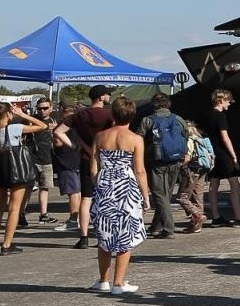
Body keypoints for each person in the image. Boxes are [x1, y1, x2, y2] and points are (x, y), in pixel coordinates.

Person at [89, 96, 149, 294]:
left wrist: (99, 186)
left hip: (105, 186)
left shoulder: (100, 136)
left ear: (113, 113)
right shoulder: (136, 139)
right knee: (126, 234)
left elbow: (93, 168)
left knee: (104, 234)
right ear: (133, 115)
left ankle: (103, 280)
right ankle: (118, 283)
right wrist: (145, 196)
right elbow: (140, 170)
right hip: (126, 187)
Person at [0, 101, 49, 254]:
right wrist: (22, 114)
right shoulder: (14, 128)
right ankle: (6, 245)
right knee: (14, 208)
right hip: (15, 169)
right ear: (9, 113)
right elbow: (42, 126)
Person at [69, 85, 116, 247]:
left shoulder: (80, 115)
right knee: (106, 198)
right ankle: (104, 235)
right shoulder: (110, 115)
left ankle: (83, 237)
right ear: (101, 97)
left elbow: (58, 132)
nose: (109, 96)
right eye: (107, 94)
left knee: (86, 199)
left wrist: (77, 146)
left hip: (85, 158)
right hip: (105, 159)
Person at [138, 92, 189, 239]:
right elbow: (186, 135)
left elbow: (138, 138)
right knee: (165, 195)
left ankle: (168, 227)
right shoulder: (178, 119)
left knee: (159, 195)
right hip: (175, 161)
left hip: (156, 162)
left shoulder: (147, 120)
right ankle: (156, 226)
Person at [203, 88, 240, 227]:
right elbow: (225, 137)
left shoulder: (205, 115)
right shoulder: (220, 117)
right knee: (234, 183)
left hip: (210, 152)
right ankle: (239, 216)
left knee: (214, 183)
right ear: (221, 100)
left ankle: (216, 216)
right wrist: (234, 156)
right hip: (223, 153)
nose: (229, 104)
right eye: (228, 101)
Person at [175, 118, 209, 233]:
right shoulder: (201, 139)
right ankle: (195, 226)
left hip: (192, 170)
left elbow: (188, 157)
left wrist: (179, 165)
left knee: (182, 196)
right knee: (198, 197)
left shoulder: (189, 140)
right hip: (202, 169)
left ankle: (197, 215)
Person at [28, 97, 58, 224]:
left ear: (51, 108)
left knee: (44, 187)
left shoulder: (55, 121)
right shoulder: (32, 120)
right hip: (31, 158)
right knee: (27, 187)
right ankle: (21, 213)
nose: (42, 111)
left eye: (45, 108)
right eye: (40, 108)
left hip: (47, 158)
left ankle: (43, 214)